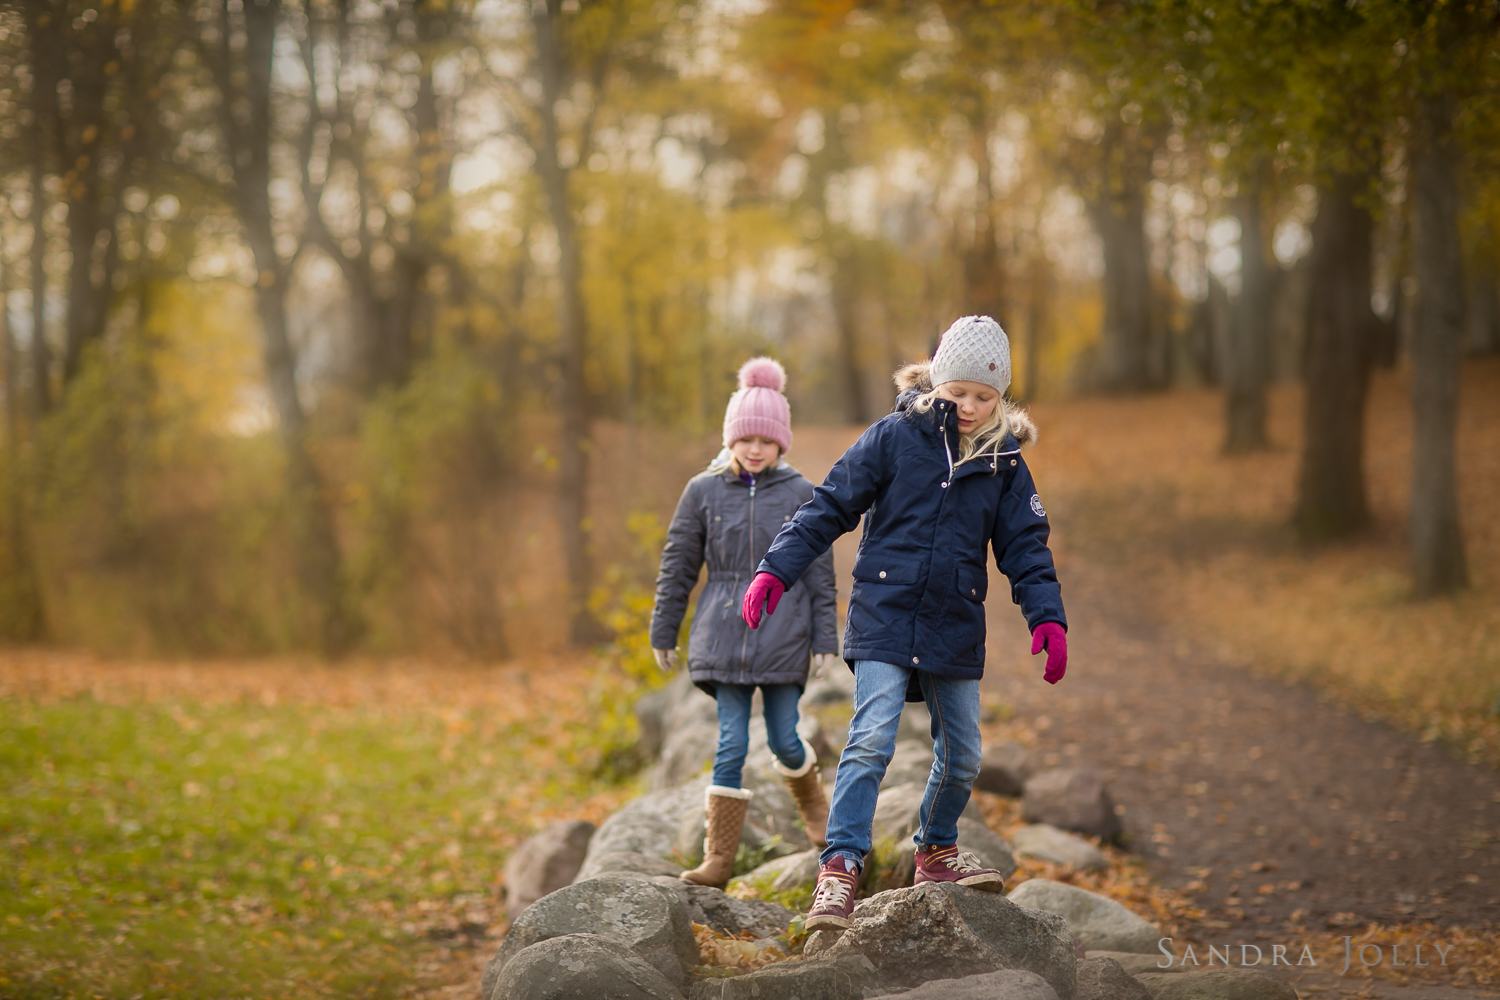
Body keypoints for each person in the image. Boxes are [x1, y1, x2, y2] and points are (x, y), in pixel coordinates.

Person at [740, 316, 1068, 931]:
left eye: (984, 396)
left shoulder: (1004, 462)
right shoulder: (893, 437)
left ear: (1000, 398)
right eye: (957, 392)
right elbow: (829, 504)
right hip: (884, 614)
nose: (969, 406)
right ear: (937, 381)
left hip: (955, 622)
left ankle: (935, 847)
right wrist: (774, 571)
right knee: (870, 742)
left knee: (965, 754)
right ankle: (839, 868)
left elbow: (1026, 547)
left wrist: (1047, 619)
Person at [650, 357, 840, 887]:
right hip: (723, 636)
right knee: (730, 743)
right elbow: (678, 565)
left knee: (784, 738)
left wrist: (826, 638)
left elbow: (819, 571)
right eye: (746, 439)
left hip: (783, 634)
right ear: (731, 439)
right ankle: (719, 858)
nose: (755, 449)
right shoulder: (701, 493)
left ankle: (817, 816)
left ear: (782, 443)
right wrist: (664, 629)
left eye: (766, 440)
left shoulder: (801, 493)